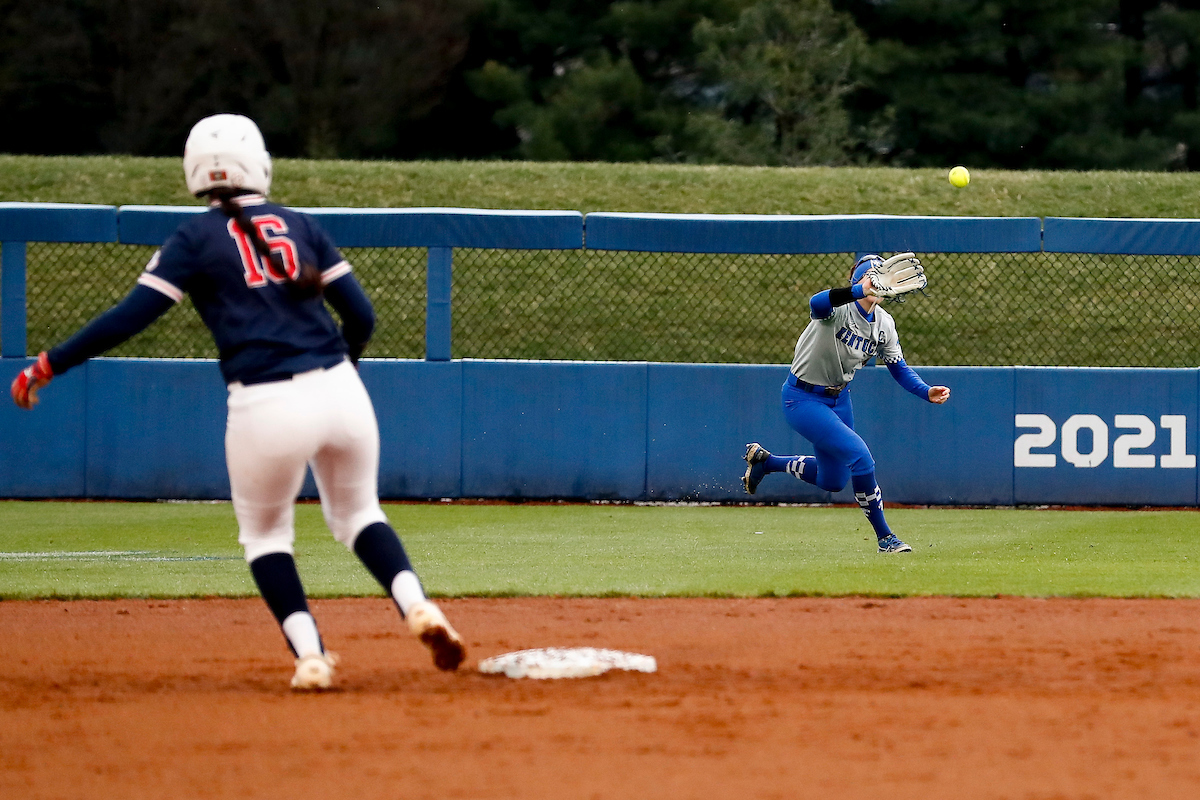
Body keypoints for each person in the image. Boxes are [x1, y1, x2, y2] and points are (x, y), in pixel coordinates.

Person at [10, 113, 465, 689]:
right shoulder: (300, 224)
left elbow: (131, 317)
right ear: (260, 162)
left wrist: (51, 363)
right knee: (358, 515)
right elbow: (362, 315)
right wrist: (343, 368)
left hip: (264, 403)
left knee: (267, 538)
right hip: (340, 391)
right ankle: (418, 605)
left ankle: (313, 658)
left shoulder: (194, 239)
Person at [742, 254, 950, 553]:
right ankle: (886, 538)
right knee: (861, 459)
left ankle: (767, 462)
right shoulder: (838, 309)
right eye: (878, 277)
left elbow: (898, 367)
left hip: (838, 399)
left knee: (833, 480)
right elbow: (817, 303)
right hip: (802, 398)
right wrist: (857, 291)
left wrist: (925, 390)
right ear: (863, 281)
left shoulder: (884, 323)